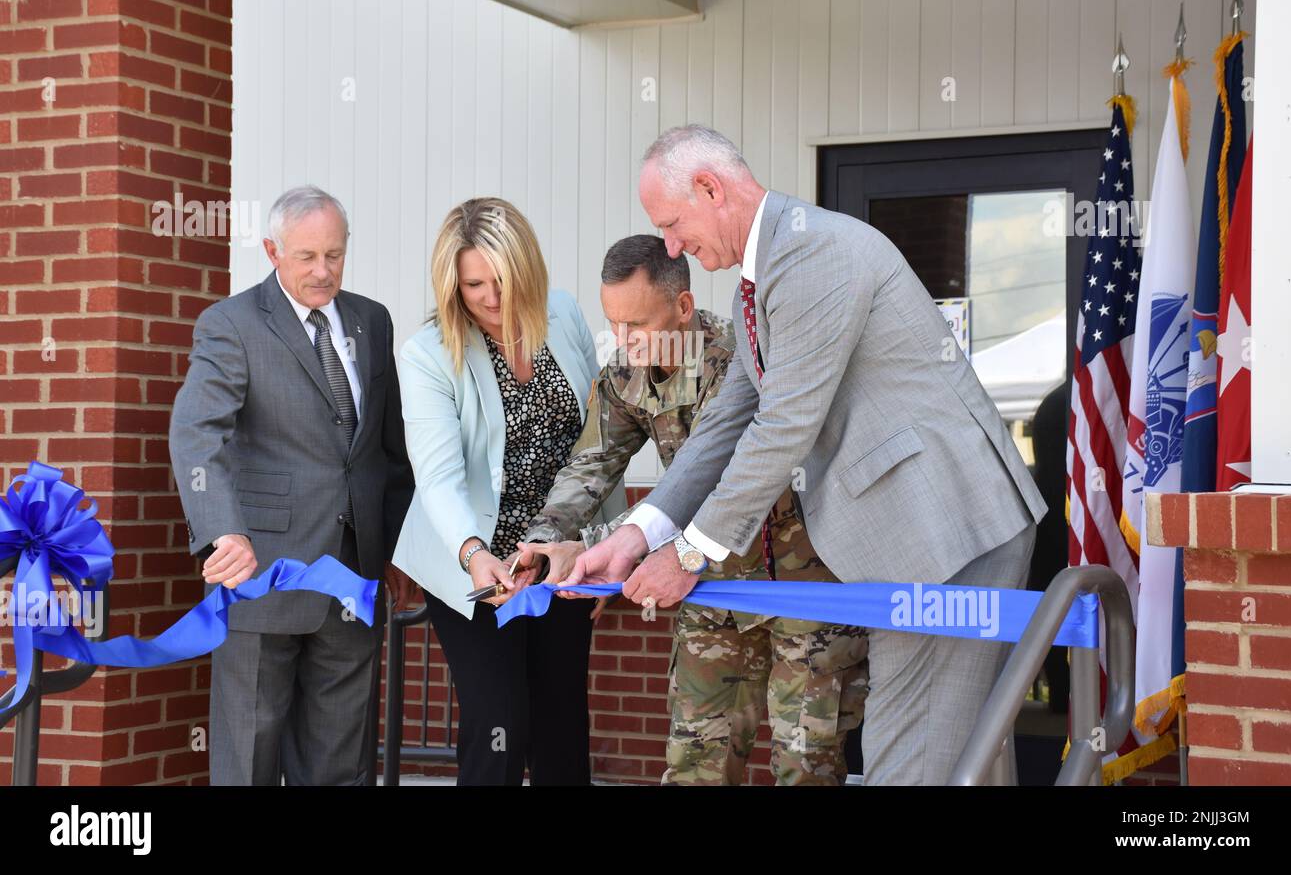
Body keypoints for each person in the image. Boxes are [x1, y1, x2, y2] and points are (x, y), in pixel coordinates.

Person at [565, 125, 1049, 785]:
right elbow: (724, 426)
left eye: (673, 224)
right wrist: (636, 534)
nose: (672, 245)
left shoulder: (812, 254)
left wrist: (686, 555)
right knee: (948, 756)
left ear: (710, 188)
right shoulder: (762, 281)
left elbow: (781, 427)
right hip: (912, 543)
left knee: (914, 761)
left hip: (948, 532)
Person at [515, 234, 868, 784]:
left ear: (683, 308)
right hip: (708, 589)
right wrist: (545, 538)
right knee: (697, 764)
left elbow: (712, 484)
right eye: (614, 324)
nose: (624, 341)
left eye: (638, 325)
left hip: (802, 587)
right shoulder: (622, 376)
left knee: (806, 764)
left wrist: (592, 546)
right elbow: (592, 464)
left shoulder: (736, 364)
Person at [169, 185, 415, 785]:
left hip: (354, 573)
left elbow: (387, 449)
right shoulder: (231, 324)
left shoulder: (371, 320)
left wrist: (402, 550)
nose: (323, 270)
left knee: (339, 759)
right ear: (273, 249)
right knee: (249, 755)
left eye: (334, 254)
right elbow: (198, 435)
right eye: (307, 257)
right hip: (260, 573)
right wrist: (222, 530)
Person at [389, 197, 626, 785]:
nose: (491, 298)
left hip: (557, 557)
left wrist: (604, 550)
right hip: (475, 562)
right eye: (474, 285)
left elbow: (597, 443)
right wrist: (474, 553)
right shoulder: (427, 355)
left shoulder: (564, 315)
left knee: (562, 723)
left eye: (503, 280)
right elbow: (438, 479)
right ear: (453, 285)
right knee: (500, 722)